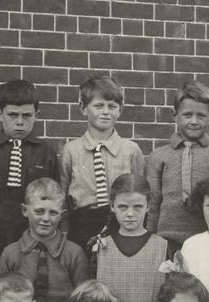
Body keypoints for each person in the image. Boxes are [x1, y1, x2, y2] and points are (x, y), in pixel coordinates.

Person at [0, 79, 59, 277]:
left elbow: (56, 198)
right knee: (1, 284)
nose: (20, 122)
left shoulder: (46, 152)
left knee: (33, 280)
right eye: (13, 115)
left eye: (27, 115)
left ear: (37, 115)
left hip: (34, 229)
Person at [0, 178, 89, 302]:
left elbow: (83, 299)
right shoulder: (11, 253)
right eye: (39, 211)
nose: (46, 219)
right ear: (25, 210)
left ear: (62, 214)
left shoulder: (73, 253)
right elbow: (0, 299)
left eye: (53, 213)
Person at [60, 74, 145, 250]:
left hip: (120, 223)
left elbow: (140, 192)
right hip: (81, 224)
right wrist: (64, 232)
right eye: (98, 106)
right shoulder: (71, 150)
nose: (105, 112)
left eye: (112, 106)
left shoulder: (131, 150)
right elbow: (62, 197)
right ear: (83, 108)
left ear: (120, 110)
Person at [91, 174, 169, 302]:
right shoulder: (100, 247)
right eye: (123, 207)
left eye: (138, 207)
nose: (130, 214)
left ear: (148, 206)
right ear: (112, 206)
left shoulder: (163, 246)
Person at [146, 80, 209, 250]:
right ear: (175, 115)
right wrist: (150, 238)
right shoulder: (159, 155)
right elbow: (153, 202)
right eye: (187, 115)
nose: (194, 121)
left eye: (201, 116)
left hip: (206, 236)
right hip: (166, 238)